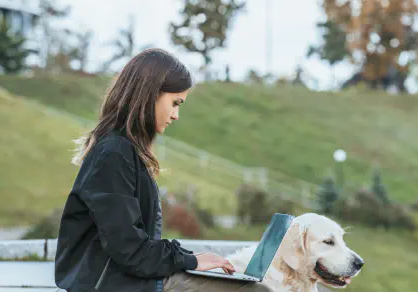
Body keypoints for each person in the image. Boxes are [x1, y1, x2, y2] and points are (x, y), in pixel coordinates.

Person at [54, 48, 273, 292]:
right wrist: (189, 260)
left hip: (132, 281)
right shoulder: (113, 155)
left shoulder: (122, 152)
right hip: (116, 285)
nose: (176, 115)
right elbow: (129, 248)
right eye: (175, 103)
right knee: (254, 291)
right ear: (149, 96)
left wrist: (189, 257)